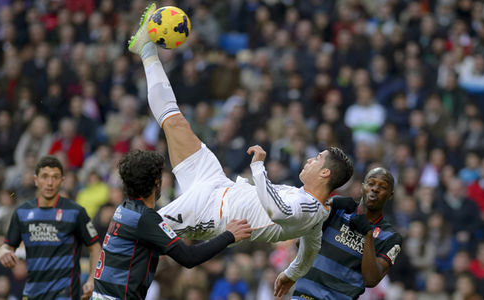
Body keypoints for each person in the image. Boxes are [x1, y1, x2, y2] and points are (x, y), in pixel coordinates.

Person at [128, 2, 354, 285]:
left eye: (317, 159)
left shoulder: (307, 208)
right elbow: (311, 251)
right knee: (175, 122)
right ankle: (147, 49)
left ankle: (103, 284)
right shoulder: (315, 213)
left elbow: (278, 212)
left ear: (325, 174)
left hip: (211, 215)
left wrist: (258, 167)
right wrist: (290, 274)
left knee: (138, 229)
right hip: (217, 184)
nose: (310, 160)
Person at [92, 150, 253, 299]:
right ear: (156, 182)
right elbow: (189, 258)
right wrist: (229, 235)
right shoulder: (145, 218)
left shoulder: (124, 209)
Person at [287, 167, 403, 299]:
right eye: (371, 183)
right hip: (305, 295)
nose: (375, 189)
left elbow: (371, 280)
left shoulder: (391, 237)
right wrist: (327, 205)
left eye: (382, 187)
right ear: (362, 187)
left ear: (390, 195)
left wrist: (368, 235)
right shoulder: (338, 209)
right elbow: (300, 243)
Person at [0, 156, 102, 300]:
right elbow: (8, 246)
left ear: (62, 181)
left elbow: (95, 247)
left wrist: (92, 279)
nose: (50, 183)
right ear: (35, 180)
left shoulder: (76, 212)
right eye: (44, 177)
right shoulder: (22, 212)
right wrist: (3, 252)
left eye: (55, 177)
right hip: (32, 292)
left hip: (65, 294)